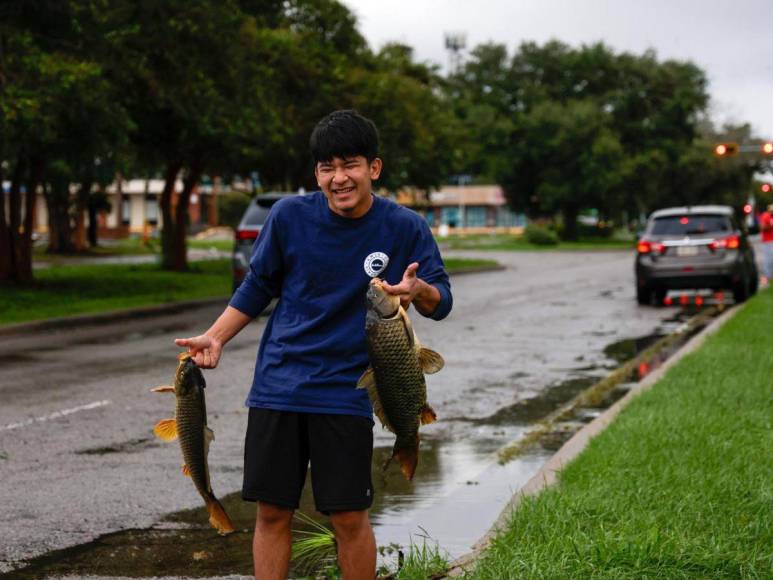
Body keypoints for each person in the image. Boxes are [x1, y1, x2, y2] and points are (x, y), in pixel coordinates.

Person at [175, 109, 452, 579]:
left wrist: (418, 290)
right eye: (327, 167)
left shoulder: (404, 227)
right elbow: (258, 285)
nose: (339, 178)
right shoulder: (289, 217)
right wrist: (215, 337)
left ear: (374, 168)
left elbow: (441, 301)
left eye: (350, 165)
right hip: (279, 386)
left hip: (346, 392)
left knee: (347, 516)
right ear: (316, 173)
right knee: (271, 511)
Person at [759, 204, 773, 286]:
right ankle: (767, 277)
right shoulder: (765, 216)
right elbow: (762, 228)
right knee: (769, 259)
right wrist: (771, 225)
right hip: (768, 241)